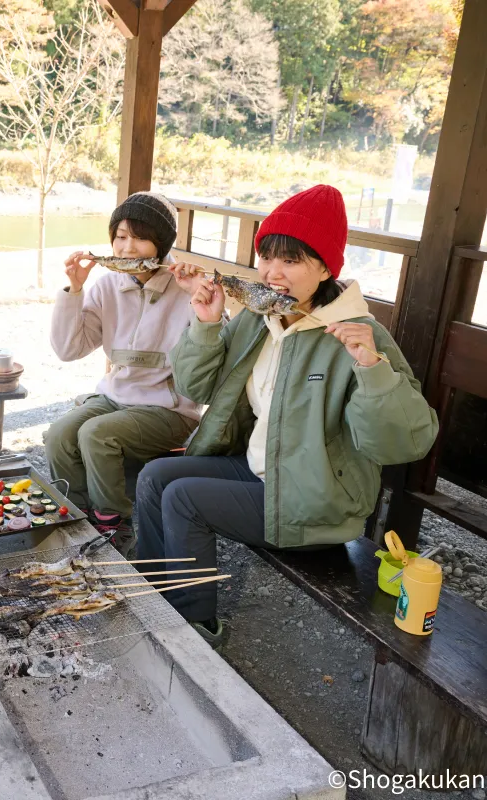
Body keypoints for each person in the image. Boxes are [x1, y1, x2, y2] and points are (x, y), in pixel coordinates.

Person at [135, 184, 438, 648]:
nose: (273, 273)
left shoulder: (357, 335)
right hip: (261, 469)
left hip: (315, 499)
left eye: (291, 260)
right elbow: (195, 388)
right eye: (266, 257)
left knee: (184, 500)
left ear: (324, 267)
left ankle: (194, 631)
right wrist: (208, 323)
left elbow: (403, 444)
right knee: (156, 476)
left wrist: (372, 370)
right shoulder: (261, 317)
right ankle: (158, 596)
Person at [45, 192, 201, 556]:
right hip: (115, 397)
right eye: (120, 236)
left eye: (139, 237)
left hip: (169, 409)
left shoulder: (185, 288)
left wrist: (202, 301)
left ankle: (114, 528)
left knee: (97, 434)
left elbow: (213, 355)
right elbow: (69, 349)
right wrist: (75, 289)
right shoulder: (106, 286)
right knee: (59, 434)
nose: (127, 247)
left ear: (161, 244)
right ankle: (80, 518)